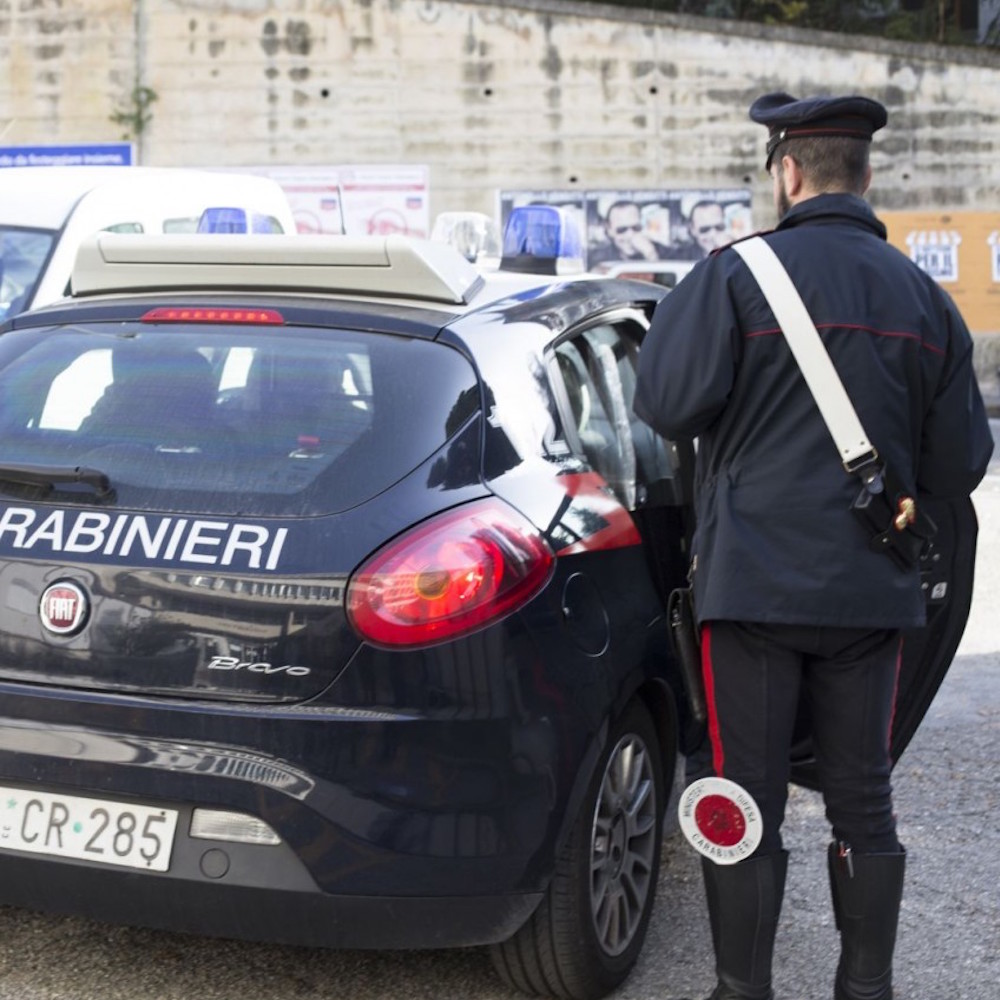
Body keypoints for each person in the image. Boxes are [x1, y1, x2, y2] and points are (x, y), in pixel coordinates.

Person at [634, 92, 993, 1000]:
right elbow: (960, 466)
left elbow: (667, 406)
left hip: (750, 591)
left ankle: (740, 988)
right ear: (864, 175)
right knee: (861, 795)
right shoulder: (925, 298)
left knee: (744, 797)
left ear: (787, 172)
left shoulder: (732, 275)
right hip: (873, 593)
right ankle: (866, 989)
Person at [588, 199, 673, 265]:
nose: (630, 235)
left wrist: (651, 255)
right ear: (609, 230)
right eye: (622, 230)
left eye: (636, 228)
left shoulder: (664, 253)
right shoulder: (596, 259)